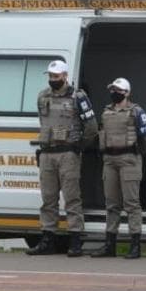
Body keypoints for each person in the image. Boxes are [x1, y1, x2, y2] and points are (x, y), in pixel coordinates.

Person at [26, 60, 98, 257]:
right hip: (48, 153)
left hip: (68, 153)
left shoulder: (78, 97)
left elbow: (92, 127)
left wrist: (79, 146)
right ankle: (47, 239)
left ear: (65, 76)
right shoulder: (42, 96)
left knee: (72, 198)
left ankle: (75, 240)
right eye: (50, 76)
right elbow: (44, 123)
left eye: (56, 77)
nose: (52, 80)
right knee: (48, 199)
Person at [91, 77, 146, 259]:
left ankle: (135, 245)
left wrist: (135, 153)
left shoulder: (136, 112)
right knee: (111, 204)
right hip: (109, 160)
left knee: (132, 204)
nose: (114, 93)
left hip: (128, 158)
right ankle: (110, 245)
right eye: (112, 90)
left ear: (127, 93)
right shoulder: (106, 112)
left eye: (118, 90)